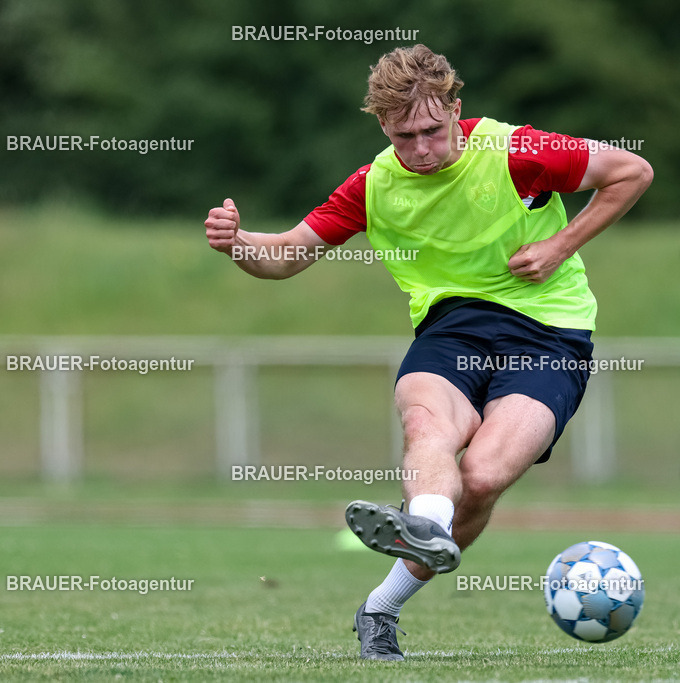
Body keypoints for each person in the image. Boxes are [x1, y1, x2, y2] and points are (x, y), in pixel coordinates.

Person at [204, 44, 652, 661]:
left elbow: (632, 171)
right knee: (426, 424)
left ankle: (381, 599)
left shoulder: (514, 152)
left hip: (549, 332)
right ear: (382, 128)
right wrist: (238, 243)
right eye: (402, 135)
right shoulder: (373, 185)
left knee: (486, 474)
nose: (419, 149)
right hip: (452, 329)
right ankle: (428, 535)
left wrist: (560, 244)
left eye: (432, 132)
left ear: (456, 111)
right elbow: (283, 255)